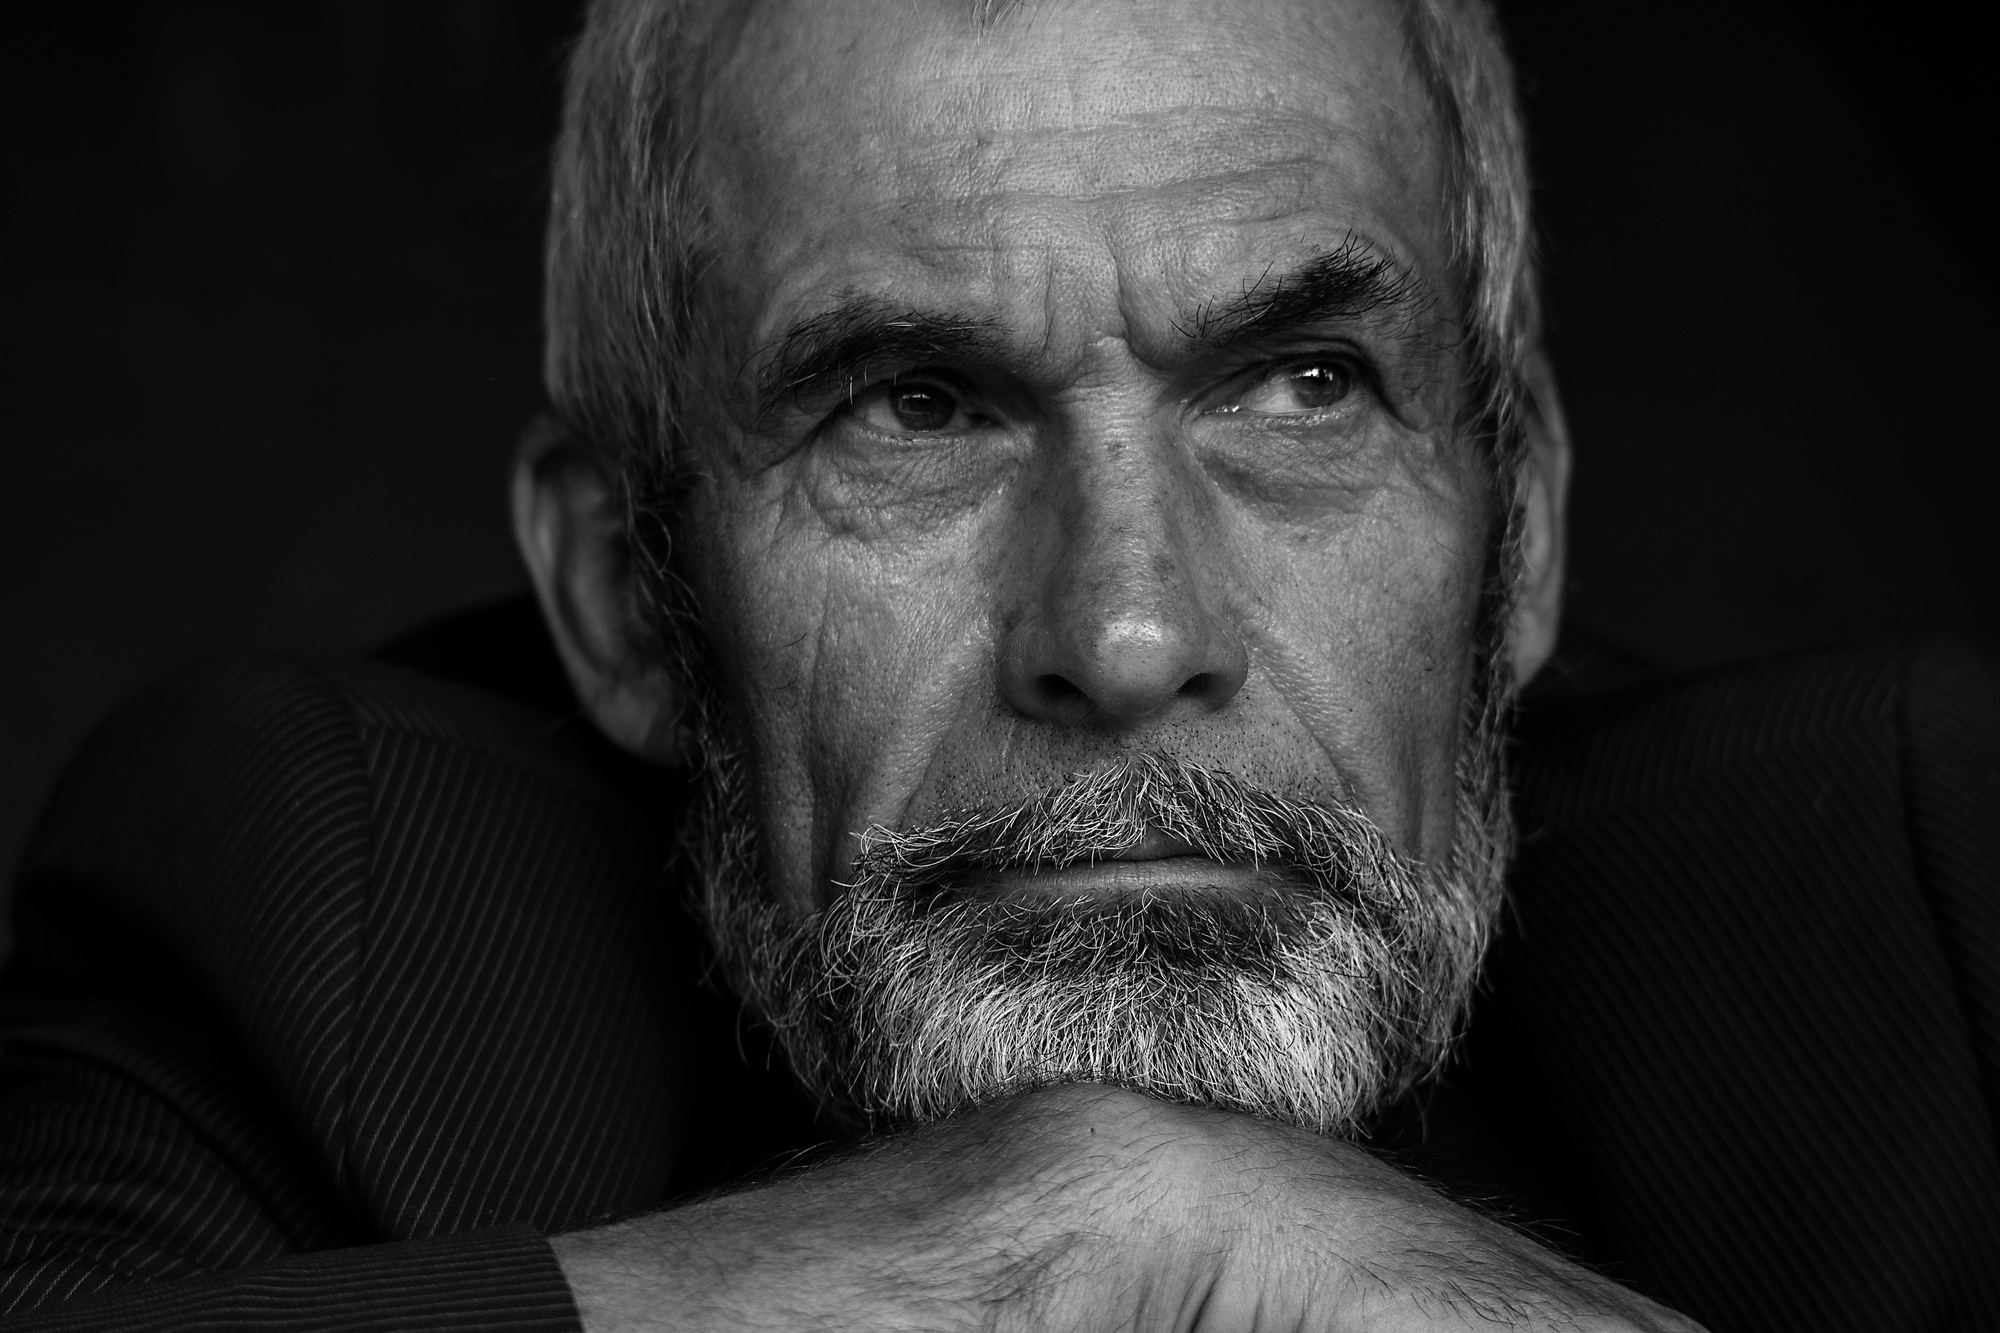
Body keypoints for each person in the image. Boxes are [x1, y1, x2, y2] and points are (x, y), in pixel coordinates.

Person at [3, 0, 1995, 1329]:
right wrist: (1064, 1229)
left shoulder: (1922, 920)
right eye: (915, 405)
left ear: (1524, 528)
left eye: (1301, 385)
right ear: (622, 586)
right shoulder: (315, 908)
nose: (1125, 637)